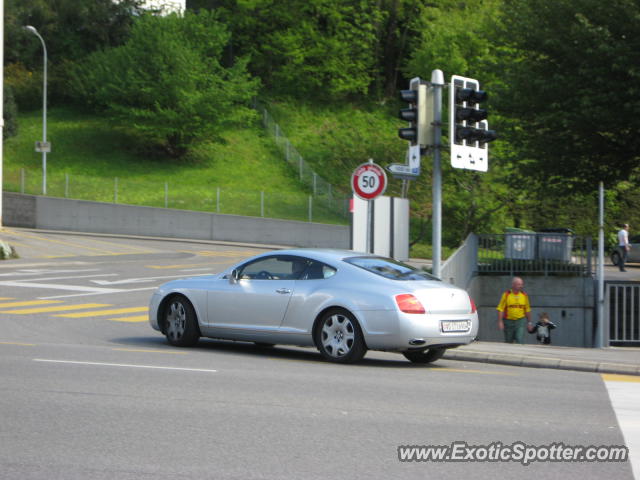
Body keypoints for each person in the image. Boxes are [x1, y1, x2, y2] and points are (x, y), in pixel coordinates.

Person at [496, 277, 532, 344]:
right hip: (508, 322)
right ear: (513, 285)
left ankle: (519, 353)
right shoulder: (506, 294)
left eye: (522, 284)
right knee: (508, 341)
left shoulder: (524, 295)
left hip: (520, 321)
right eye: (519, 284)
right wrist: (500, 321)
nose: (521, 286)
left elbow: (527, 309)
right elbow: (501, 309)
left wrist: (529, 322)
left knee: (519, 339)